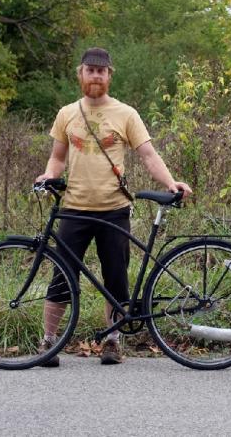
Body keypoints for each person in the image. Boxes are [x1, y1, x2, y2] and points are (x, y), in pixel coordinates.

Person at [35, 47, 192, 366]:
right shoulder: (67, 113)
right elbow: (58, 156)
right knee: (61, 277)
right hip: (74, 208)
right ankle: (48, 343)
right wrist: (50, 175)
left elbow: (148, 154)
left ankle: (112, 341)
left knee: (116, 278)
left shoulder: (126, 113)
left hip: (114, 209)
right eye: (90, 70)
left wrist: (170, 183)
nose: (96, 75)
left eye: (101, 71)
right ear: (80, 74)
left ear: (109, 76)